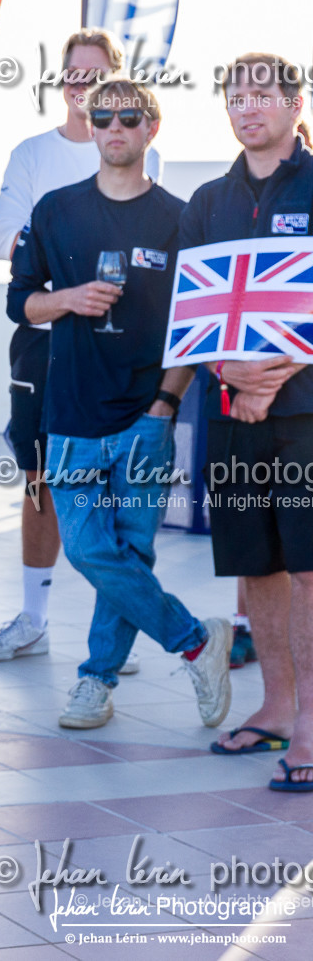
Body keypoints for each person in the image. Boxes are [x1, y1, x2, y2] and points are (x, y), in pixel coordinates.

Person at [7, 78, 233, 731]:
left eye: (127, 117)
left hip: (147, 419)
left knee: (129, 557)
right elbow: (19, 301)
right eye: (100, 114)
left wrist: (165, 405)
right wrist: (69, 299)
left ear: (149, 128)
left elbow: (197, 323)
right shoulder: (55, 210)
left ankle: (95, 679)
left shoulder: (181, 217)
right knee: (86, 548)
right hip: (73, 418)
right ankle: (195, 639)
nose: (112, 125)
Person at [0, 28, 162, 666]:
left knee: (114, 495)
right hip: (45, 345)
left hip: (121, 351)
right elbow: (2, 237)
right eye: (73, 76)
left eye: (96, 76)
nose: (83, 87)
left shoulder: (140, 153)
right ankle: (33, 619)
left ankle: (118, 629)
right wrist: (65, 265)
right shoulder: (32, 155)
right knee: (40, 483)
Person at [181, 54, 313, 791]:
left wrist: (275, 374)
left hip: (305, 413)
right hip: (232, 409)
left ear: (295, 103)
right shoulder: (207, 201)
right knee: (256, 564)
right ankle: (276, 705)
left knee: (307, 568)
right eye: (236, 96)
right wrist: (230, 373)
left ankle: (311, 724)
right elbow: (191, 310)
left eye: (263, 94)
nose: (248, 107)